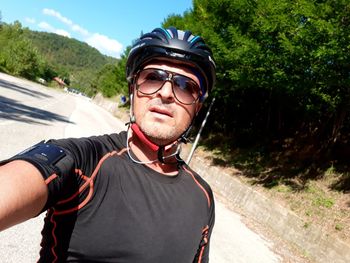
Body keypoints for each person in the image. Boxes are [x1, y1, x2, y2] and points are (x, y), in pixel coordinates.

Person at [0, 27, 216, 262]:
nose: (165, 92)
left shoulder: (202, 197)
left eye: (186, 86)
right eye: (153, 77)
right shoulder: (84, 160)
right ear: (133, 89)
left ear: (198, 107)